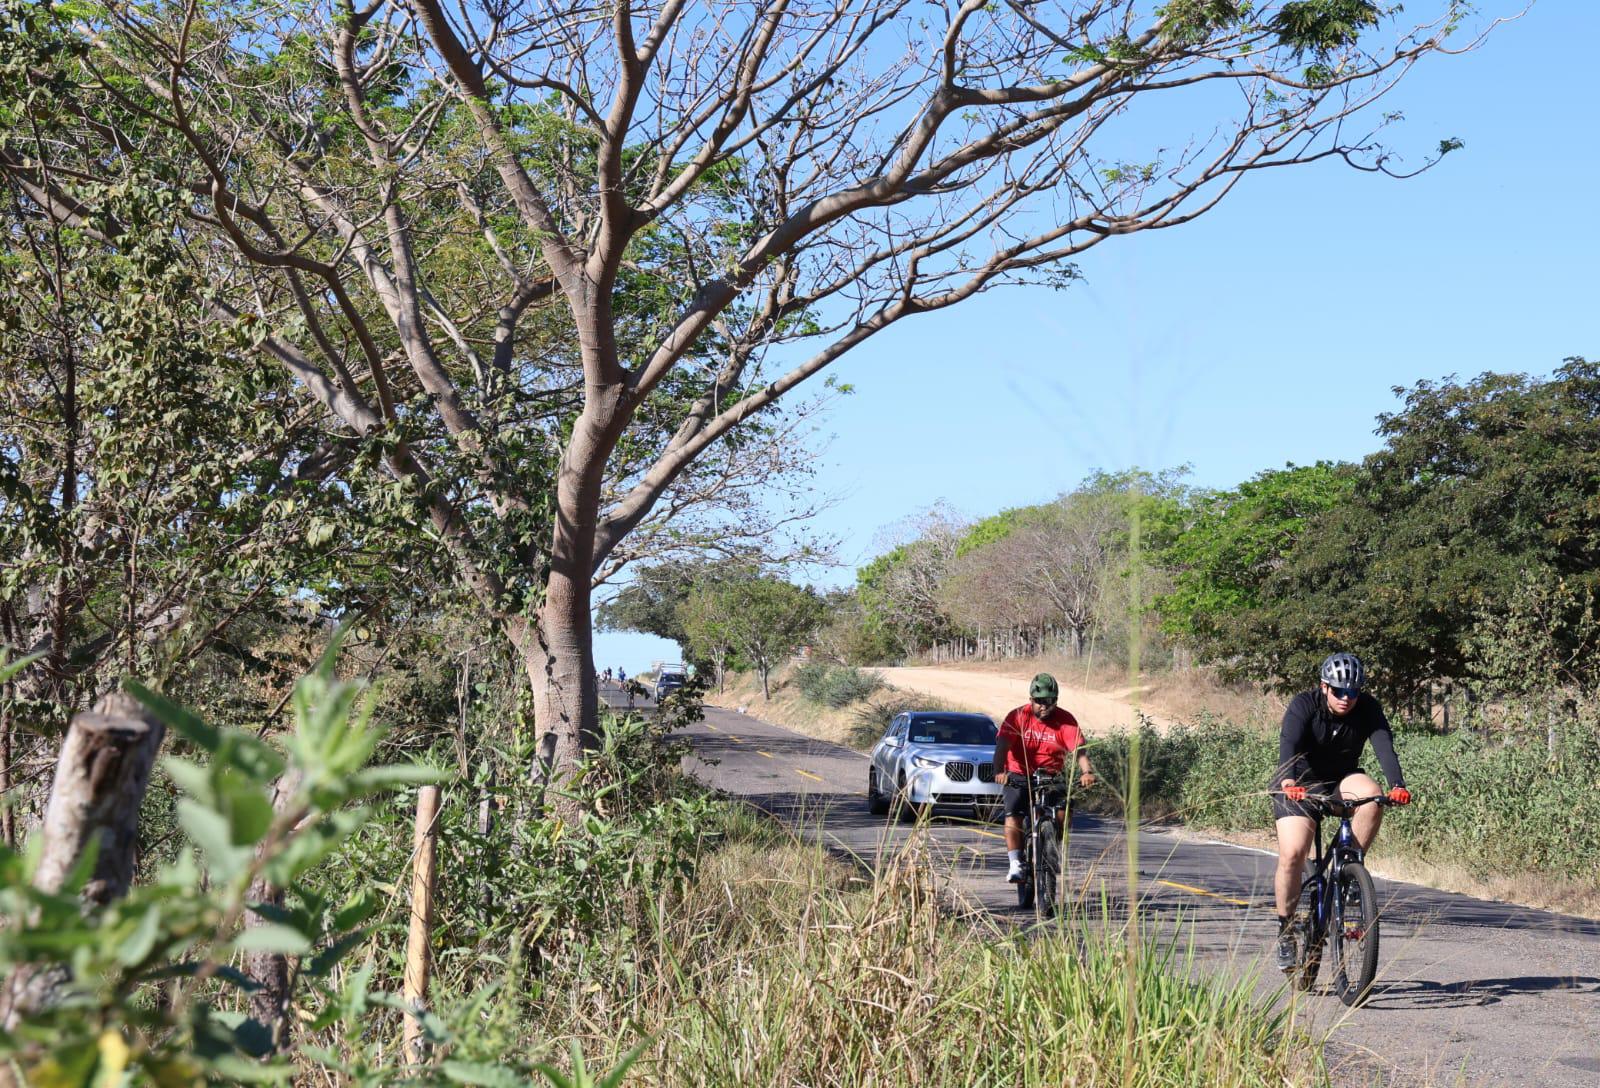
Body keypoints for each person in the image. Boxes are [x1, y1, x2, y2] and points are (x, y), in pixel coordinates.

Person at [1271, 651, 1412, 971]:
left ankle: (1350, 869)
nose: (1347, 698)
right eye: (1339, 691)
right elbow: (1288, 744)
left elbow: (1383, 745)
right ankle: (1286, 932)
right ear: (1324, 687)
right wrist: (1289, 779)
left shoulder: (1368, 709)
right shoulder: (1304, 705)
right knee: (1293, 854)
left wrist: (1398, 784)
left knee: (1373, 796)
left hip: (1340, 782)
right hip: (1300, 784)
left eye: (1353, 691)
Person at [991, 673, 1096, 884]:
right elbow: (1002, 746)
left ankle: (1053, 847)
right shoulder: (1018, 716)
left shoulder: (1065, 720)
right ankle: (1015, 863)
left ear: (1056, 701)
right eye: (1039, 701)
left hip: (1051, 775)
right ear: (1031, 700)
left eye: (1049, 701)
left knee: (1065, 807)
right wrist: (999, 771)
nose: (1044, 706)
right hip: (1018, 774)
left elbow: (1079, 751)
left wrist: (1086, 772)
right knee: (1013, 813)